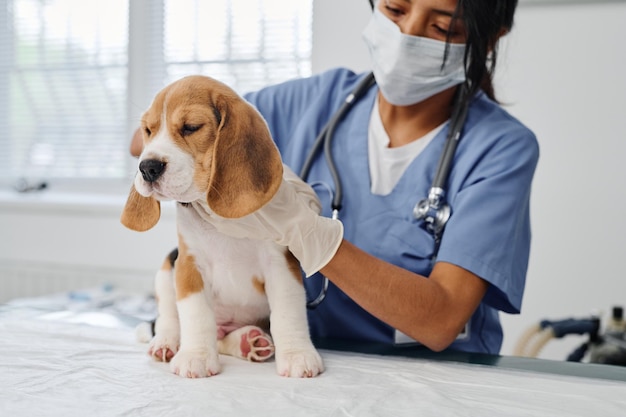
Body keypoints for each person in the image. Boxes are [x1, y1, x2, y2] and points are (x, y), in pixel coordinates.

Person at [130, 0, 538, 355]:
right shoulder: (312, 101)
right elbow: (152, 136)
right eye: (395, 9)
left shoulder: (501, 148)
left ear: (488, 40)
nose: (407, 34)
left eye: (442, 27)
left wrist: (308, 233)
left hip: (436, 376)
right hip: (310, 364)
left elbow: (441, 320)